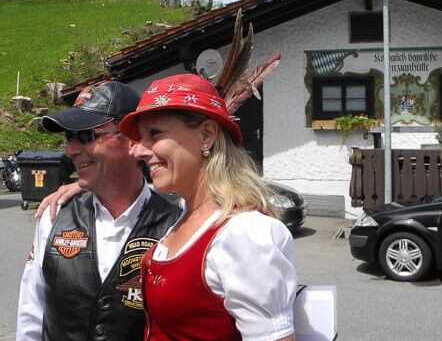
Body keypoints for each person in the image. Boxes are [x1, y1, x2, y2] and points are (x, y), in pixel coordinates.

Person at [118, 73, 298, 341]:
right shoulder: (186, 214)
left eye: (154, 133)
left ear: (206, 134)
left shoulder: (244, 234)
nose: (138, 151)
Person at [16, 81, 181, 341]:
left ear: (131, 138)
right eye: (68, 137)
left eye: (85, 136)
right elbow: (31, 315)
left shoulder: (178, 225)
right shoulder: (54, 216)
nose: (70, 150)